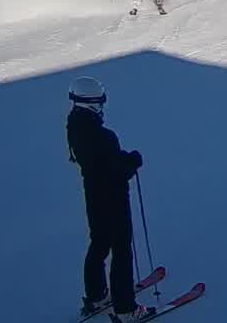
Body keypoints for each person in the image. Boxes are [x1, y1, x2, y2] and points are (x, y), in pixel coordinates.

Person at [67, 77, 154, 322]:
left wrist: (121, 160)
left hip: (93, 195)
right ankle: (125, 308)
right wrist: (133, 161)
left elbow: (101, 162)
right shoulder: (104, 136)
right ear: (93, 102)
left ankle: (96, 295)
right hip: (113, 198)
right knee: (121, 250)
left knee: (99, 243)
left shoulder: (74, 125)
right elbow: (116, 170)